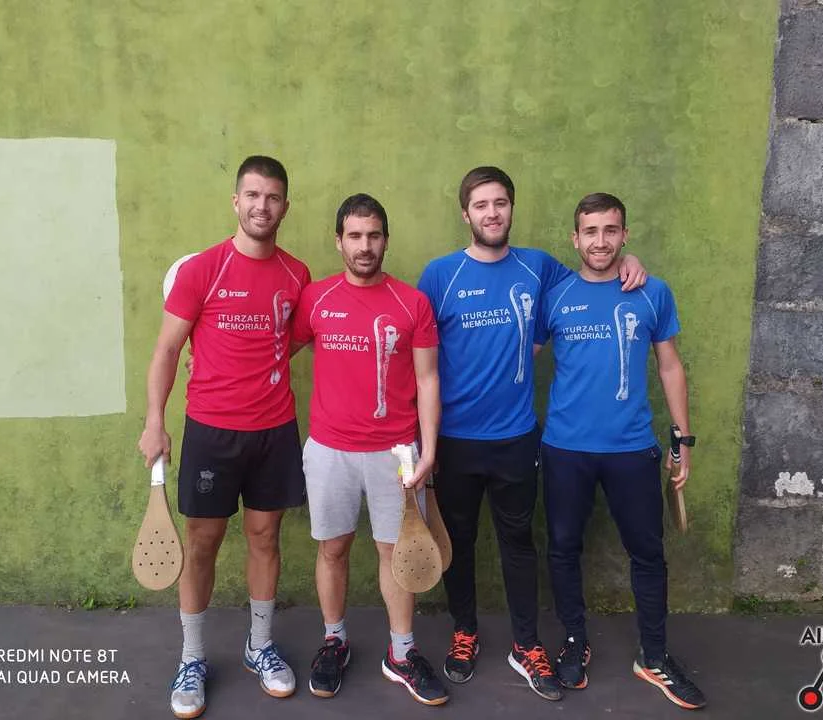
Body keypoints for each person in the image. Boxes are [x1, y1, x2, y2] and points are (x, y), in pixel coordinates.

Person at [416, 167, 647, 701]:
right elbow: (421, 363)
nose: (491, 213)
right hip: (454, 440)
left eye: (500, 202)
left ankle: (526, 645)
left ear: (511, 209)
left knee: (518, 543)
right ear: (466, 213)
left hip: (517, 438)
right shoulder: (440, 275)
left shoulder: (537, 267)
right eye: (481, 204)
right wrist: (423, 442)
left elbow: (596, 271)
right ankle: (465, 632)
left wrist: (630, 261)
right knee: (459, 542)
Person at [137, 156, 310, 718]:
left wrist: (261, 363)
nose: (262, 206)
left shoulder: (296, 274)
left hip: (274, 431)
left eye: (273, 197)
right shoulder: (203, 270)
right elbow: (167, 349)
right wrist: (155, 422)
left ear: (285, 206)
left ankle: (260, 646)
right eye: (253, 195)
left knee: (265, 538)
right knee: (203, 542)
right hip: (211, 431)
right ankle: (192, 658)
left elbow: (294, 337)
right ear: (236, 201)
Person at [538, 192, 706, 710]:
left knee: (648, 554)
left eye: (611, 231)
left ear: (624, 235)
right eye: (590, 231)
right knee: (563, 548)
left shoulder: (652, 292)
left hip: (633, 449)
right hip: (565, 449)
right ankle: (575, 642)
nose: (600, 241)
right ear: (575, 238)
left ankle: (654, 656)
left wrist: (682, 440)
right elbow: (518, 357)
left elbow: (670, 366)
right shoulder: (555, 296)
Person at [291, 193, 447, 706]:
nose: (365, 246)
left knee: (396, 553)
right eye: (355, 236)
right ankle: (334, 641)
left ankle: (401, 653)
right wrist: (207, 357)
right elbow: (273, 349)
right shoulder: (315, 298)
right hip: (329, 450)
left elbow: (427, 379)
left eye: (374, 235)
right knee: (332, 549)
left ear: (385, 240)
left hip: (396, 453)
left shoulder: (412, 303)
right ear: (339, 241)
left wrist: (428, 451)